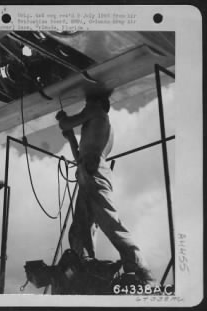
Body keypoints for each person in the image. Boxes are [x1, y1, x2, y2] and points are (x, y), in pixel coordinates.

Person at [56, 91, 154, 284]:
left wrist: (63, 120)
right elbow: (81, 156)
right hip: (89, 170)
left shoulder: (97, 112)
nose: (86, 105)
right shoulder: (97, 124)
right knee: (81, 226)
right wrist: (71, 139)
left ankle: (139, 269)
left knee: (108, 220)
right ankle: (84, 264)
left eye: (89, 102)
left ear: (99, 103)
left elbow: (66, 124)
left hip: (93, 171)